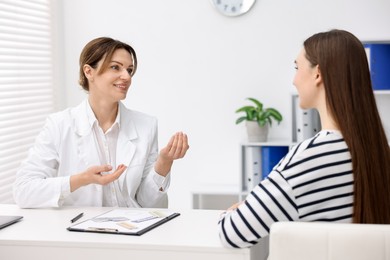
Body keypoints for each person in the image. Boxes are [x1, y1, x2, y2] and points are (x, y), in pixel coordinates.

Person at [218, 29, 390, 248]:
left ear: (318, 74)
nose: (294, 80)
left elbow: (232, 233)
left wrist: (232, 211)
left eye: (297, 68)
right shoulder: (379, 151)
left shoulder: (308, 158)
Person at [13, 37, 189, 208]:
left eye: (129, 70)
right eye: (115, 67)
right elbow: (23, 190)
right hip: (80, 232)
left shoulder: (146, 126)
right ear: (88, 72)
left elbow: (146, 203)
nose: (126, 76)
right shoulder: (60, 125)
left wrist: (164, 162)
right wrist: (82, 179)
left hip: (132, 232)